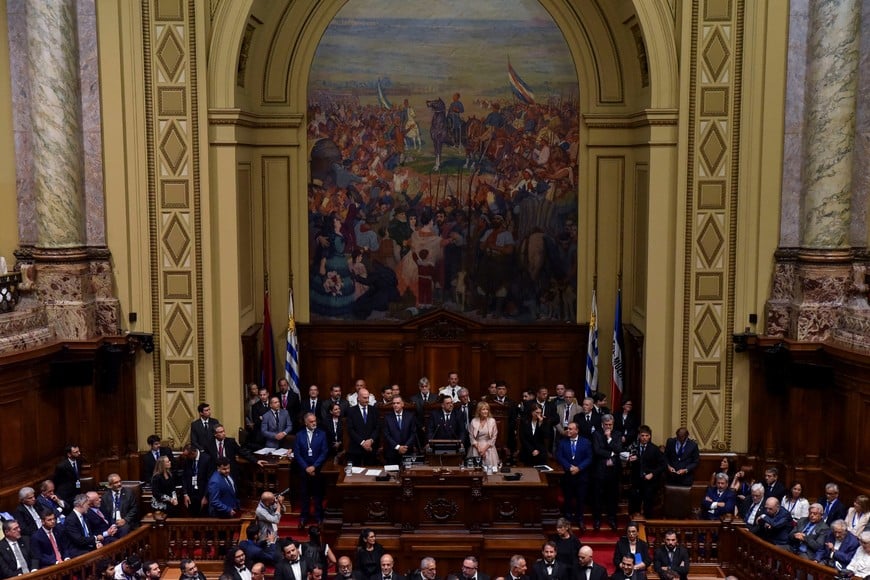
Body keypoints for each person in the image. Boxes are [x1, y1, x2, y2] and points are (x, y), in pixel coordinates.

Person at [555, 422, 592, 529]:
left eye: (571, 429)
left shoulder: (586, 442)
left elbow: (589, 458)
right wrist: (569, 467)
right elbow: (559, 456)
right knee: (568, 499)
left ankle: (580, 519)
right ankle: (568, 520)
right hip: (568, 476)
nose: (568, 431)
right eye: (567, 429)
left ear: (577, 430)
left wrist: (578, 468)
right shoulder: (562, 442)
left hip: (582, 476)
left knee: (581, 499)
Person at [295, 412, 329, 525]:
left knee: (317, 494)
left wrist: (314, 466)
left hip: (317, 470)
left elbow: (324, 452)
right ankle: (304, 516)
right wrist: (306, 467)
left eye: (315, 421)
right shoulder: (299, 435)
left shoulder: (322, 434)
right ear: (305, 423)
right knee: (304, 494)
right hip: (304, 470)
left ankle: (318, 516)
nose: (314, 423)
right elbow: (297, 453)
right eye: (311, 421)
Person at [591, 413, 622, 530]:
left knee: (612, 497)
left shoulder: (617, 434)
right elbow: (597, 450)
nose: (608, 427)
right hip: (599, 470)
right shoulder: (597, 434)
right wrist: (611, 453)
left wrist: (609, 439)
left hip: (613, 471)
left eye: (610, 424)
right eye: (606, 424)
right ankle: (597, 519)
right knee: (597, 496)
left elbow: (619, 449)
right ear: (602, 424)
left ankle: (612, 519)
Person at [627, 424, 665, 518]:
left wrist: (652, 474)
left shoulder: (655, 449)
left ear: (650, 436)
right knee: (635, 501)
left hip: (649, 481)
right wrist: (629, 458)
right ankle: (634, 520)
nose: (644, 438)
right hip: (636, 479)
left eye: (646, 436)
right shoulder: (634, 447)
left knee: (648, 503)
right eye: (642, 435)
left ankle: (647, 523)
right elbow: (626, 457)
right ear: (639, 435)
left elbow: (662, 465)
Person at [348, 388, 380, 466]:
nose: (367, 400)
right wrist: (362, 443)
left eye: (368, 397)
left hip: (371, 448)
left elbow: (377, 427)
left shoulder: (374, 410)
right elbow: (350, 429)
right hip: (356, 448)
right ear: (358, 398)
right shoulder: (351, 411)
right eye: (364, 398)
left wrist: (371, 440)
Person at [383, 395, 418, 465]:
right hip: (392, 453)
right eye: (394, 403)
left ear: (402, 404)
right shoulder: (387, 418)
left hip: (407, 451)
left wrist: (405, 447)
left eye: (398, 403)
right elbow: (387, 435)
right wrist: (398, 447)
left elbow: (413, 433)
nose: (395, 405)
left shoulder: (410, 416)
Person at [181, 444, 214, 516]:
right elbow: (184, 477)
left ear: (193, 453)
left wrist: (206, 496)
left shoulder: (207, 459)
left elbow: (209, 480)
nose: (186, 457)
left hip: (202, 494)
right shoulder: (187, 460)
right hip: (191, 494)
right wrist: (185, 494)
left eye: (187, 456)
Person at [468, 401, 500, 469]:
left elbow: (494, 438)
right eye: (483, 409)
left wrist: (484, 450)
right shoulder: (474, 421)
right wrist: (479, 449)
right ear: (479, 411)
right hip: (476, 448)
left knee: (490, 471)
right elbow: (471, 437)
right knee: (475, 470)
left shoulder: (492, 421)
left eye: (487, 409)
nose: (485, 411)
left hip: (488, 448)